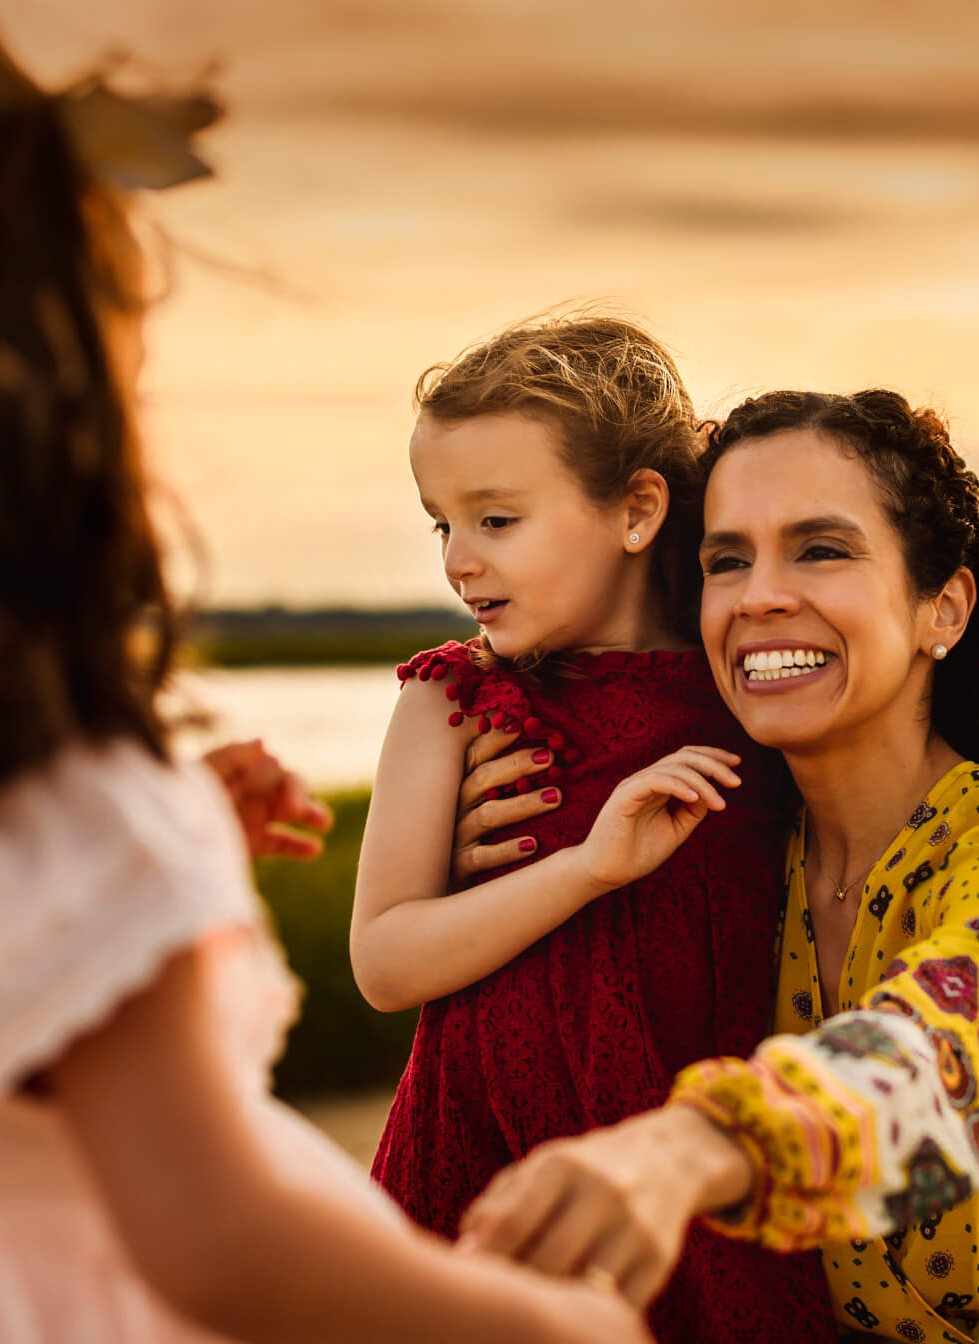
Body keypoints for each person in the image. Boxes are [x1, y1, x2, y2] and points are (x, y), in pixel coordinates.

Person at [0, 13, 646, 1342]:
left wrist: (147, 876)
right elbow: (219, 1241)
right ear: (46, 425)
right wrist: (539, 1329)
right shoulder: (75, 817)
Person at [459, 390, 979, 1342]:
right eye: (727, 560)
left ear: (943, 607)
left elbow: (944, 1066)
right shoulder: (721, 846)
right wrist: (491, 839)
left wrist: (694, 1146)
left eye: (821, 548)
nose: (760, 594)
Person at [347, 316, 837, 1343]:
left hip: (694, 1161)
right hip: (483, 1162)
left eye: (498, 521)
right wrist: (583, 870)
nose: (459, 562)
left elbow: (919, 802)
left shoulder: (751, 690)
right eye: (443, 525)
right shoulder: (453, 706)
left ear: (637, 508)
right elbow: (386, 963)